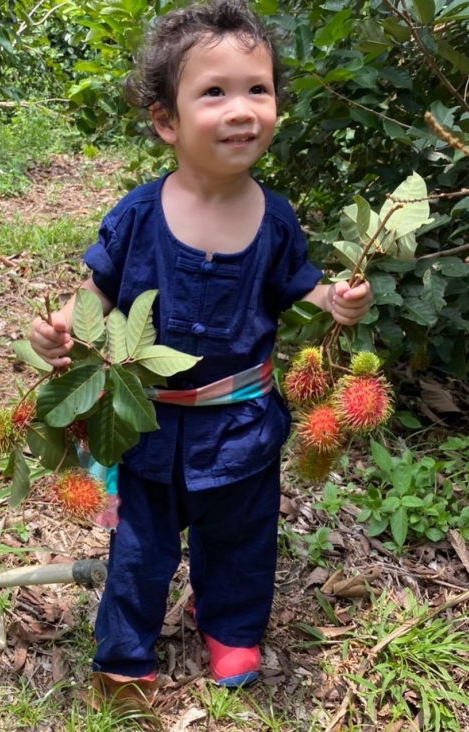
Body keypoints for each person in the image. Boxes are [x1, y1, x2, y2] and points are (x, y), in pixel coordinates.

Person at [28, 0, 372, 704]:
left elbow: (299, 285)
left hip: (241, 421)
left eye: (258, 88)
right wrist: (60, 330)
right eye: (214, 92)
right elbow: (91, 294)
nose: (242, 108)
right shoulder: (136, 216)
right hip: (146, 421)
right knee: (139, 547)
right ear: (166, 121)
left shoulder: (275, 218)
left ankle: (231, 627)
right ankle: (124, 650)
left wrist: (334, 300)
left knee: (241, 540)